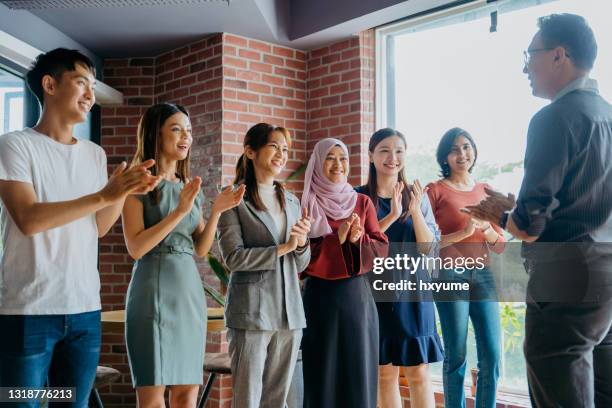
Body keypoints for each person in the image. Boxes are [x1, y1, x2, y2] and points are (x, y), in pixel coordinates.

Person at [464, 14, 612, 408]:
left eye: (530, 55)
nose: (526, 67)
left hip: (566, 280)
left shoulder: (554, 118)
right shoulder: (607, 115)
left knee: (559, 392)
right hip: (606, 280)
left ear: (559, 55)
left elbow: (528, 227)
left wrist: (498, 212)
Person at [0, 48, 159, 407]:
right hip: (28, 310)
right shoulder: (15, 146)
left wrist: (123, 191)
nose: (90, 95)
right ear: (49, 85)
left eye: (93, 85)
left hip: (84, 309)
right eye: (81, 83)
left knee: (72, 402)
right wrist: (107, 194)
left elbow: (99, 227)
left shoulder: (94, 154)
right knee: (19, 402)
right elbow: (29, 219)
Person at [122, 103, 244, 407]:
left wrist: (215, 210)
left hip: (188, 292)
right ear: (155, 134)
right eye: (176, 129)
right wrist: (179, 211)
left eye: (188, 130)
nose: (185, 137)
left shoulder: (191, 188)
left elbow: (201, 248)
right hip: (152, 291)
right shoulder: (138, 184)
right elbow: (136, 247)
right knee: (152, 393)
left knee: (187, 392)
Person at [217, 123, 311, 408]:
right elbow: (233, 258)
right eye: (274, 146)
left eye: (285, 149)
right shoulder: (233, 198)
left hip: (289, 314)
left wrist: (303, 243)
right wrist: (283, 248)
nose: (281, 154)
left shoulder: (292, 201)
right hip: (251, 313)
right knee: (247, 399)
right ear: (250, 151)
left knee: (276, 400)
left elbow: (302, 262)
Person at [356, 128, 443, 408]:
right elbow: (358, 246)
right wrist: (393, 215)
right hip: (373, 293)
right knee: (384, 372)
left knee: (418, 372)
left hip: (414, 292)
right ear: (371, 155)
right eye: (384, 150)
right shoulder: (359, 198)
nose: (392, 157)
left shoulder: (417, 196)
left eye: (399, 151)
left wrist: (415, 210)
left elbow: (428, 248)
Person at [300, 137, 388, 408]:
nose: (337, 164)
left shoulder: (361, 203)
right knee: (322, 379)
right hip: (319, 301)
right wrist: (334, 240)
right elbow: (300, 258)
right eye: (330, 157)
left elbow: (381, 249)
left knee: (357, 377)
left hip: (356, 302)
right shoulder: (304, 203)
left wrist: (355, 241)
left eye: (343, 158)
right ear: (317, 162)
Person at [426, 128, 505, 408]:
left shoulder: (485, 191)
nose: (462, 154)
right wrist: (461, 234)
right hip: (449, 274)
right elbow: (426, 243)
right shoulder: (434, 190)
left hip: (481, 274)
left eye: (466, 147)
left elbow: (500, 244)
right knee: (456, 355)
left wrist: (486, 230)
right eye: (454, 149)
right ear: (445, 156)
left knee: (492, 355)